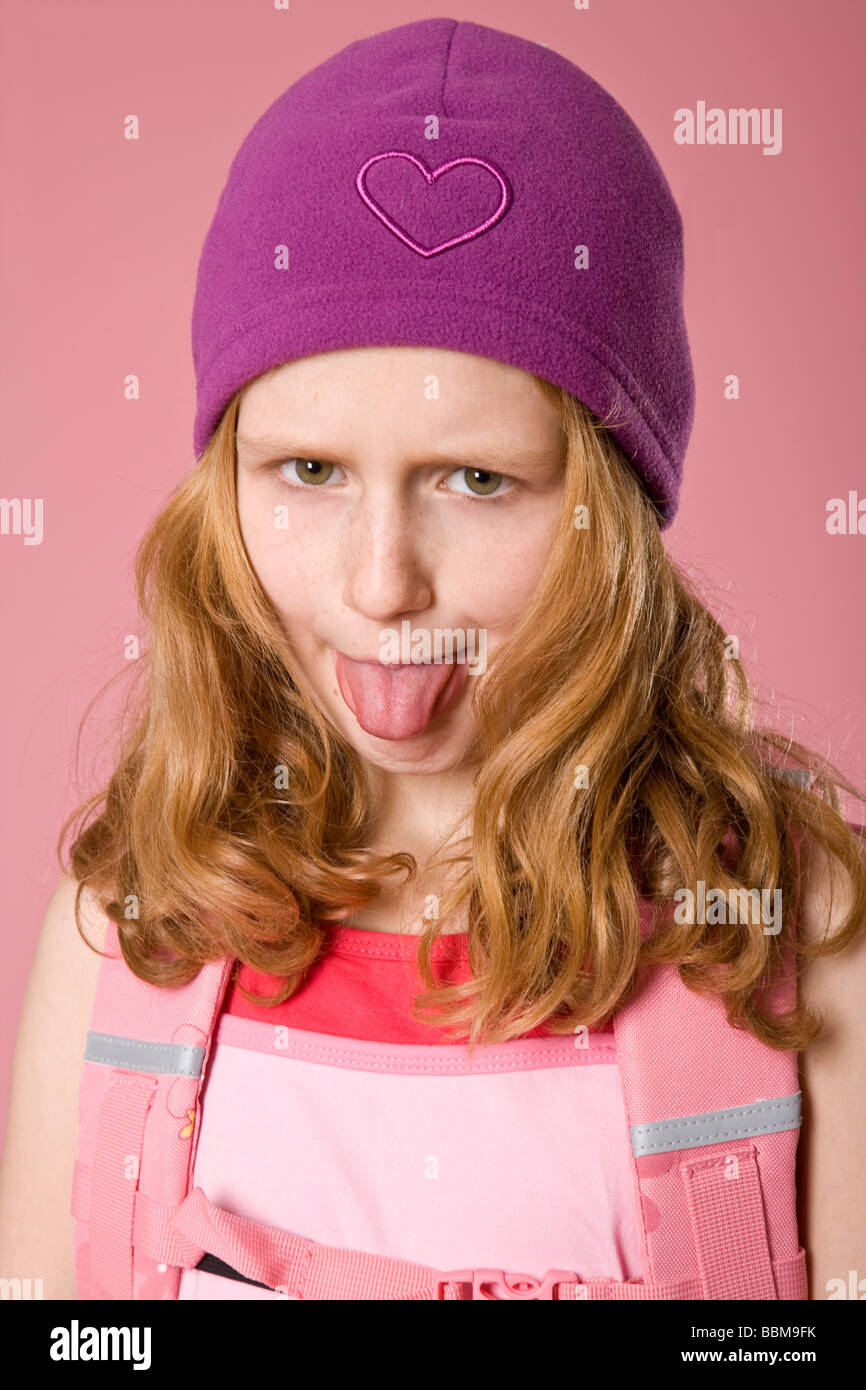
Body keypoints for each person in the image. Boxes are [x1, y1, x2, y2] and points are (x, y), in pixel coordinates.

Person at [1, 17, 864, 1302]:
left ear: (608, 509)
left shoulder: (789, 938)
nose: (380, 583)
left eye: (475, 480)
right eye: (307, 472)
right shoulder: (131, 932)